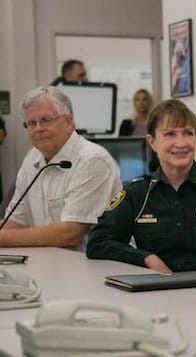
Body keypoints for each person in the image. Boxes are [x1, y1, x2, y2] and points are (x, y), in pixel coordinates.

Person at [86, 99, 196, 276]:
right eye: (170, 134)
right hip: (158, 294)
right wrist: (146, 259)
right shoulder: (137, 194)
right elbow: (98, 243)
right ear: (152, 142)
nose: (181, 143)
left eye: (188, 133)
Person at [0, 86, 121, 249]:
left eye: (45, 120)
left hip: (92, 267)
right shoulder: (32, 157)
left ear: (68, 121)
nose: (38, 129)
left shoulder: (93, 160)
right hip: (48, 264)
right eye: (31, 123)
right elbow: (16, 221)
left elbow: (69, 235)